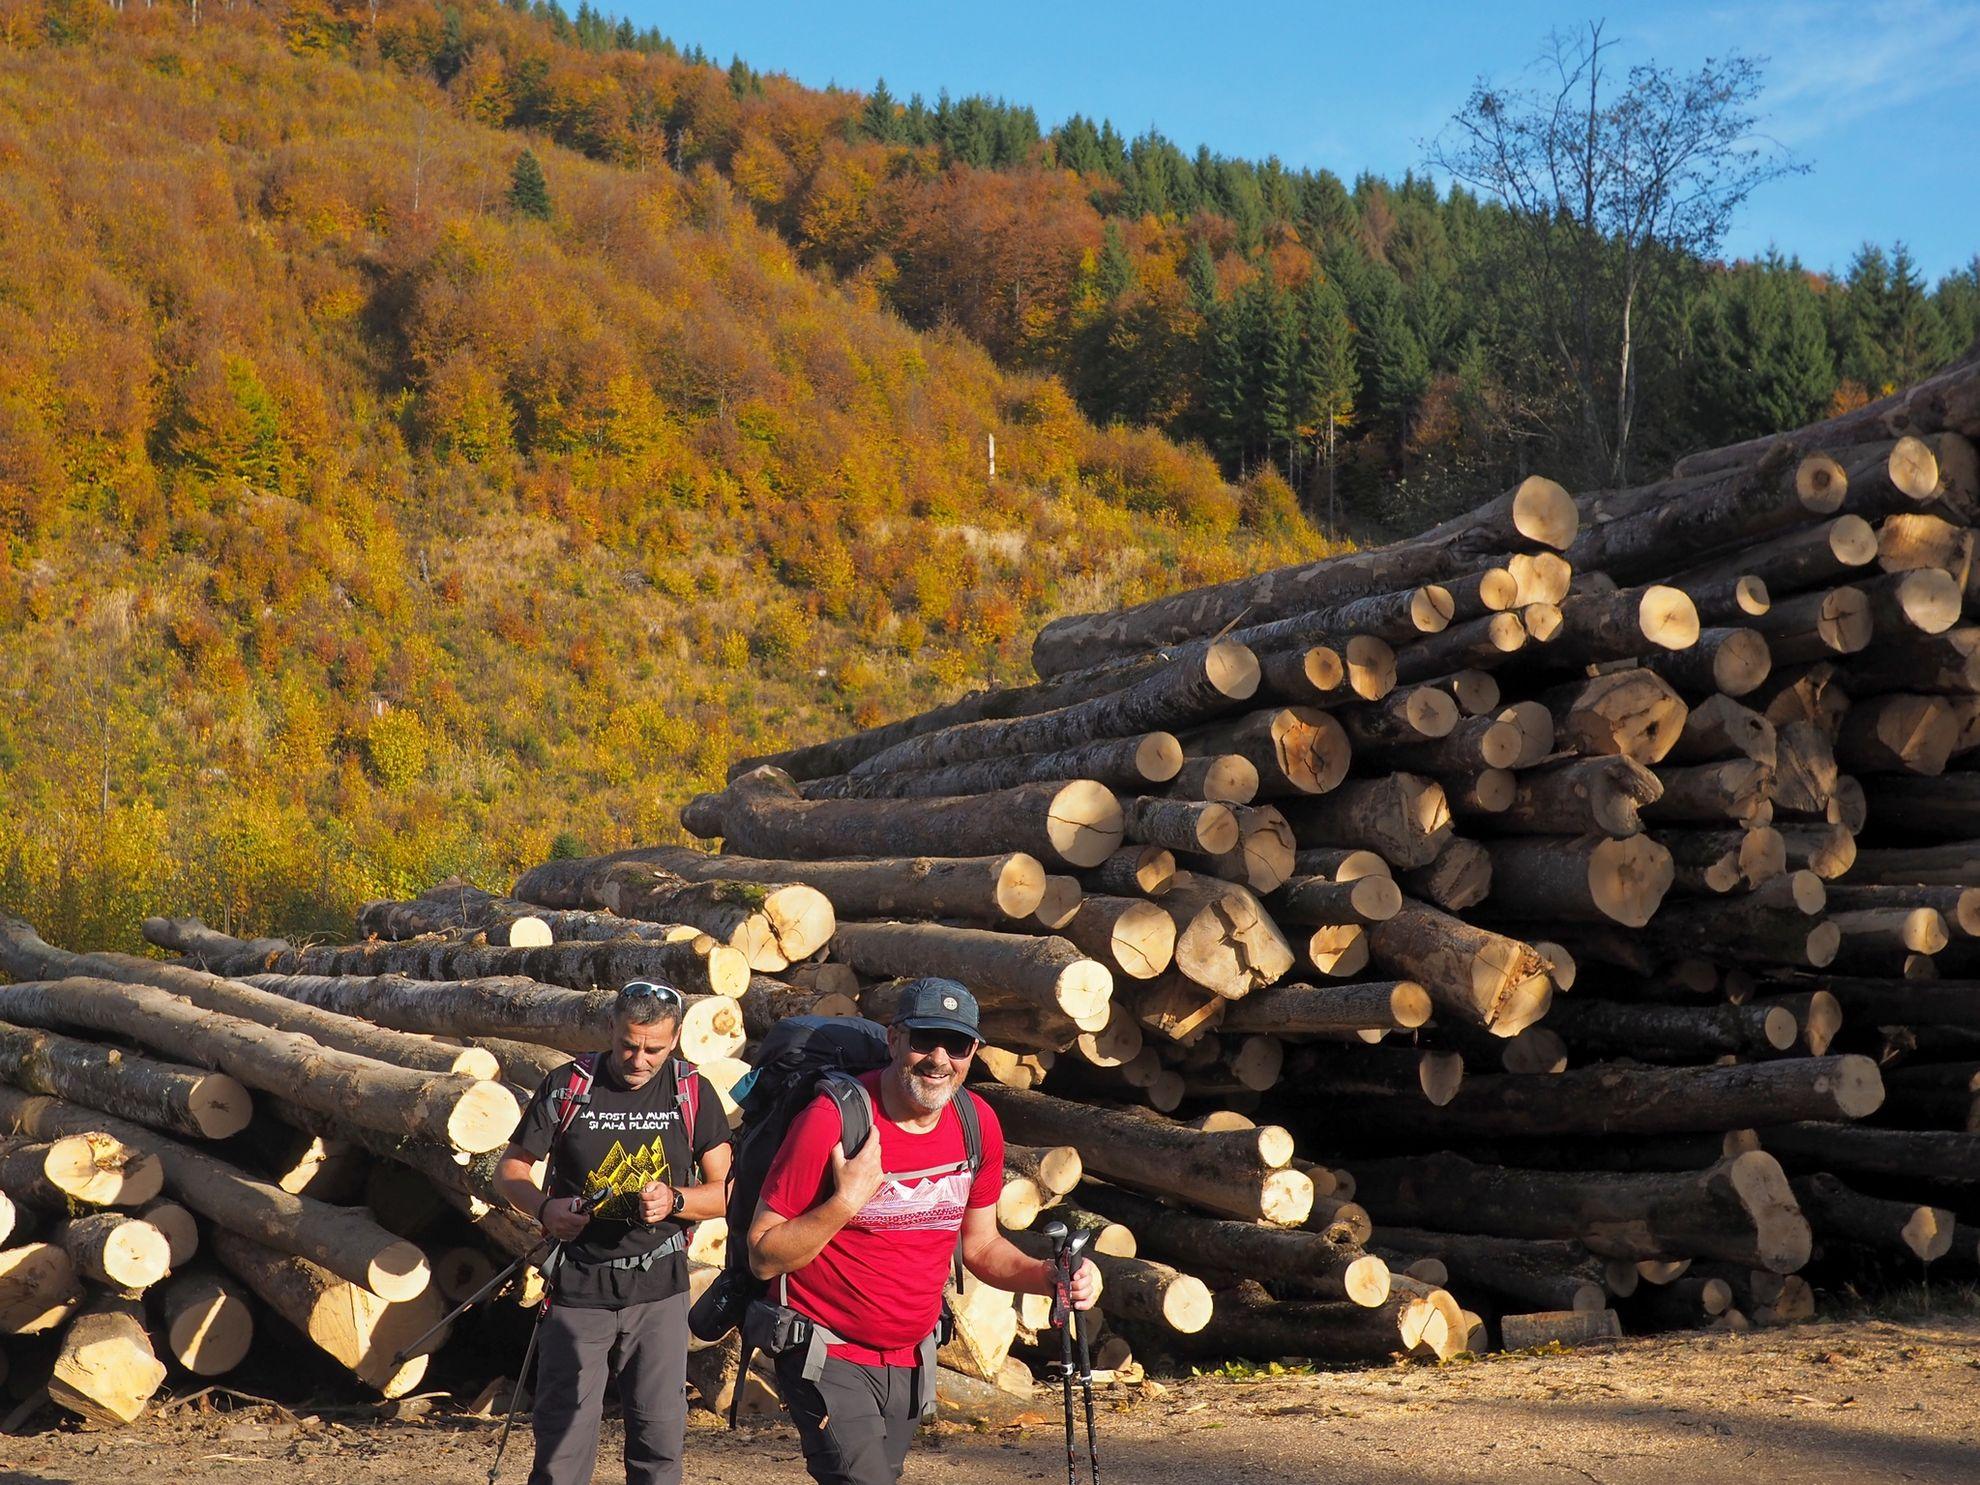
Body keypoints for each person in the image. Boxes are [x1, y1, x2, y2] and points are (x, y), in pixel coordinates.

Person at [746, 977, 1100, 1485]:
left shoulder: (976, 1123)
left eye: (955, 1044)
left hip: (912, 1361)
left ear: (973, 1051)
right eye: (923, 1039)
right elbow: (763, 1253)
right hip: (826, 1353)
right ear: (894, 1040)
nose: (938, 1058)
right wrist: (846, 1200)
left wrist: (1048, 1276)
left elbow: (980, 1246)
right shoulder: (834, 1120)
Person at [494, 979, 733, 1485]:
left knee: (659, 1441)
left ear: (675, 1041)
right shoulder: (569, 1085)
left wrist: (676, 1200)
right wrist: (545, 1207)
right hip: (578, 1286)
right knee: (562, 1443)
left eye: (654, 1048)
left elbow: (728, 1191)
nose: (639, 1059)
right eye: (628, 1044)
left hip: (660, 1290)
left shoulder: (691, 1091)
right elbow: (509, 1170)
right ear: (610, 1029)